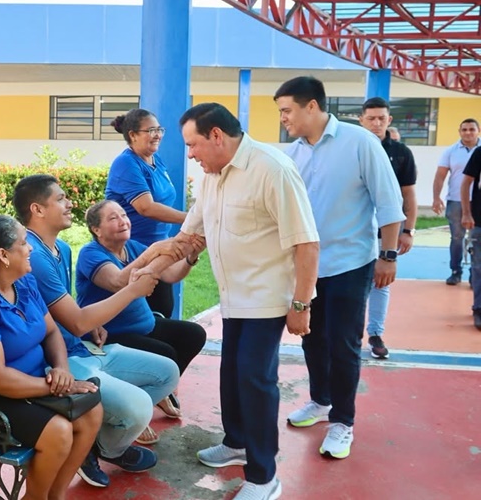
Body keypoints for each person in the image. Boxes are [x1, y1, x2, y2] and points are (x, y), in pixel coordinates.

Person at [135, 102, 319, 500]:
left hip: (267, 299)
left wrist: (301, 304)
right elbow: (187, 238)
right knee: (233, 374)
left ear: (216, 136)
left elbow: (306, 242)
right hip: (233, 298)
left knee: (255, 380)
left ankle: (264, 477)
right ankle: (237, 442)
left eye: (193, 144)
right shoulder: (212, 177)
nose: (189, 154)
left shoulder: (272, 169)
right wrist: (144, 272)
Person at [12, 174, 183, 488]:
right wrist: (133, 290)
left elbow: (66, 311)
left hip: (82, 345)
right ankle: (89, 444)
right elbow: (76, 321)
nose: (69, 203)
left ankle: (101, 444)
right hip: (56, 361)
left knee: (168, 373)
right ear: (37, 209)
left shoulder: (61, 249)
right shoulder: (33, 254)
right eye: (61, 199)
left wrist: (91, 324)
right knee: (139, 407)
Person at [275, 76, 404, 459]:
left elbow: (389, 202)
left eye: (287, 110)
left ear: (312, 106)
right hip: (308, 266)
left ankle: (343, 422)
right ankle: (321, 400)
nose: (283, 118)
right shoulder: (293, 153)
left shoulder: (359, 142)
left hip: (351, 262)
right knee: (312, 337)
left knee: (344, 344)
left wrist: (388, 255)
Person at [0, 215, 103, 500]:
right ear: (3, 255)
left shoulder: (24, 283)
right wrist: (56, 387)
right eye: (24, 243)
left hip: (31, 388)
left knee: (92, 412)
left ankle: (56, 495)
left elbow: (51, 332)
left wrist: (61, 369)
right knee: (59, 432)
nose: (30, 248)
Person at [76, 200, 207, 392]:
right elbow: (117, 282)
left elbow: (171, 275)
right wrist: (152, 251)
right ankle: (154, 393)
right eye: (113, 218)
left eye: (124, 215)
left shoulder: (133, 247)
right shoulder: (90, 253)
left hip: (146, 325)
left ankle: (161, 390)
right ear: (97, 230)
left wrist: (191, 257)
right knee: (166, 354)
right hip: (112, 333)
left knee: (194, 334)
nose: (123, 221)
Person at [106, 108, 188, 318]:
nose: (157, 135)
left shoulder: (155, 160)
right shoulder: (126, 163)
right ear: (133, 135)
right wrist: (191, 219)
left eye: (159, 129)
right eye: (151, 130)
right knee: (147, 318)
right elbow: (146, 207)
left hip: (159, 248)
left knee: (163, 312)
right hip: (133, 253)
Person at [358, 97, 418, 359]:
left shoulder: (401, 153)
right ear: (361, 119)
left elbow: (408, 194)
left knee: (381, 283)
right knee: (350, 284)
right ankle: (348, 334)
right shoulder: (352, 148)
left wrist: (408, 230)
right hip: (354, 231)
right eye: (371, 118)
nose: (376, 123)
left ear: (389, 120)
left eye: (381, 118)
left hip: (386, 233)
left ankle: (375, 334)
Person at [432, 118, 480, 285]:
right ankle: (455, 271)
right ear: (459, 132)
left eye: (472, 129)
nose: (468, 132)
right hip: (456, 201)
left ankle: (475, 274)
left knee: (477, 238)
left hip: (478, 202)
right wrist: (436, 197)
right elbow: (440, 175)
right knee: (457, 238)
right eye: (464, 129)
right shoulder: (450, 151)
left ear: (478, 131)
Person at [459, 134, 481, 331]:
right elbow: (466, 183)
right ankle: (479, 308)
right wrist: (466, 213)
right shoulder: (479, 153)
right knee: (479, 266)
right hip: (479, 220)